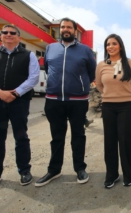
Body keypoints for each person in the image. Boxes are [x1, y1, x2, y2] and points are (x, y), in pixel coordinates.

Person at [0, 25, 39, 194]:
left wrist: (16, 93)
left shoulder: (28, 55)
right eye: (5, 33)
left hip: (19, 103)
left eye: (13, 33)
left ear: (19, 37)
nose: (8, 35)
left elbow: (33, 78)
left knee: (21, 137)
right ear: (0, 37)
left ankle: (24, 171)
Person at [35, 18, 96, 187]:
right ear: (59, 30)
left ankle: (80, 169)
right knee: (56, 137)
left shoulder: (85, 50)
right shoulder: (50, 48)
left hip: (78, 101)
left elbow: (92, 73)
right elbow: (48, 69)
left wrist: (79, 85)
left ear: (75, 31)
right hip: (54, 100)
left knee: (78, 135)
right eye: (63, 27)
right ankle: (54, 170)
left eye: (69, 27)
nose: (65, 29)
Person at [95, 34, 131, 188]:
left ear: (120, 46)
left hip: (125, 106)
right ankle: (112, 175)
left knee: (125, 140)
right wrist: (109, 95)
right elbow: (99, 85)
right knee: (110, 141)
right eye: (108, 44)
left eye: (114, 43)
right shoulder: (101, 65)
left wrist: (124, 95)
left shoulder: (129, 63)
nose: (110, 46)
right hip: (108, 107)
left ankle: (128, 174)